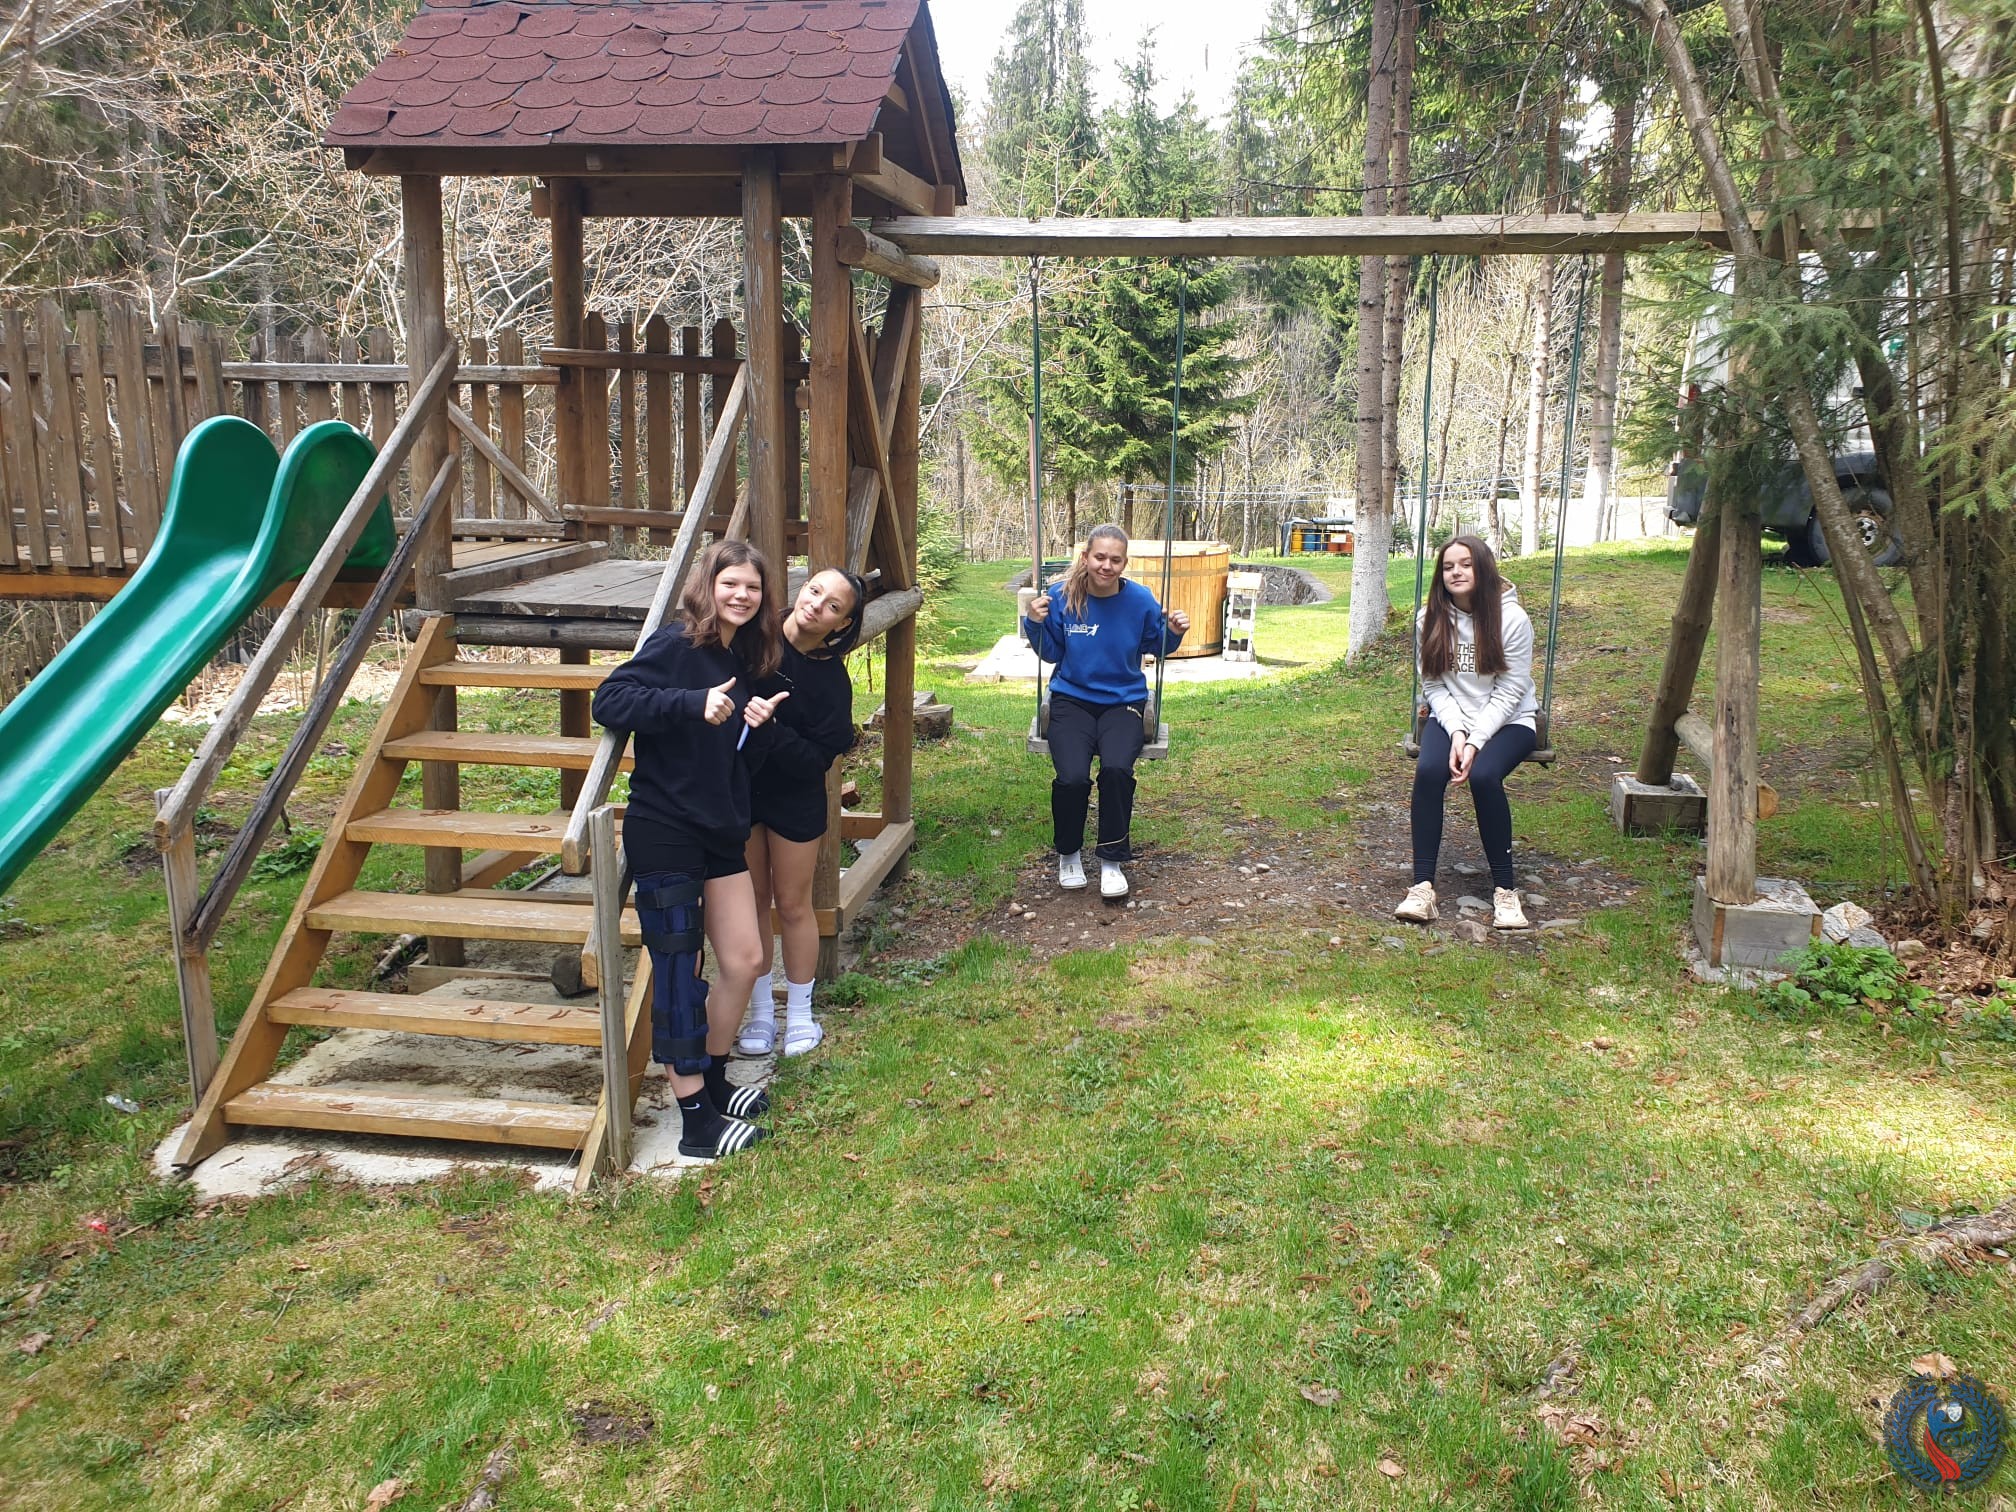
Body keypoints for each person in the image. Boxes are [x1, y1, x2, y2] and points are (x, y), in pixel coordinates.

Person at [591, 540, 790, 1162]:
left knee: (746, 959)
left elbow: (734, 762)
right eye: (731, 584)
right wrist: (690, 703)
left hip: (720, 831)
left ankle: (716, 1078)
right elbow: (610, 699)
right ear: (709, 586)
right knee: (680, 973)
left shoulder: (743, 659)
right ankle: (696, 1122)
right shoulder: (677, 645)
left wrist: (755, 730)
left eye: (752, 587)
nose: (742, 595)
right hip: (666, 829)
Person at [738, 566, 867, 1060]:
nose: (816, 605)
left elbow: (819, 757)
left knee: (792, 904)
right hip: (741, 790)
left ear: (841, 623)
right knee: (751, 902)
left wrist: (771, 731)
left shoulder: (831, 680)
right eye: (815, 591)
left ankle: (798, 1014)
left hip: (795, 795)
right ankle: (759, 1012)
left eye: (833, 605)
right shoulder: (752, 640)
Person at [1022, 524, 1189, 900]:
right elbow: (1051, 652)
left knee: (1115, 770)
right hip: (1071, 700)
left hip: (1123, 702)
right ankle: (1069, 854)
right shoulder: (1062, 597)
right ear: (1086, 557)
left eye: (1115, 559)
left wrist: (1173, 631)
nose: (1106, 566)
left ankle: (1112, 862)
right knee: (1072, 779)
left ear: (1124, 563)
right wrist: (1034, 623)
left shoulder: (1140, 600)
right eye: (1100, 557)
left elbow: (1156, 645)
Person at [1394, 534, 1539, 930]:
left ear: (1483, 568)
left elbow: (1509, 692)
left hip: (1510, 720)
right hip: (1451, 716)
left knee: (1485, 776)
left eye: (1465, 564)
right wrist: (1458, 732)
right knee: (1428, 771)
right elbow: (1433, 684)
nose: (1455, 572)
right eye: (1447, 566)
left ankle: (1505, 892)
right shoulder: (1429, 619)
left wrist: (1475, 741)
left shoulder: (1512, 619)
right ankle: (1422, 888)